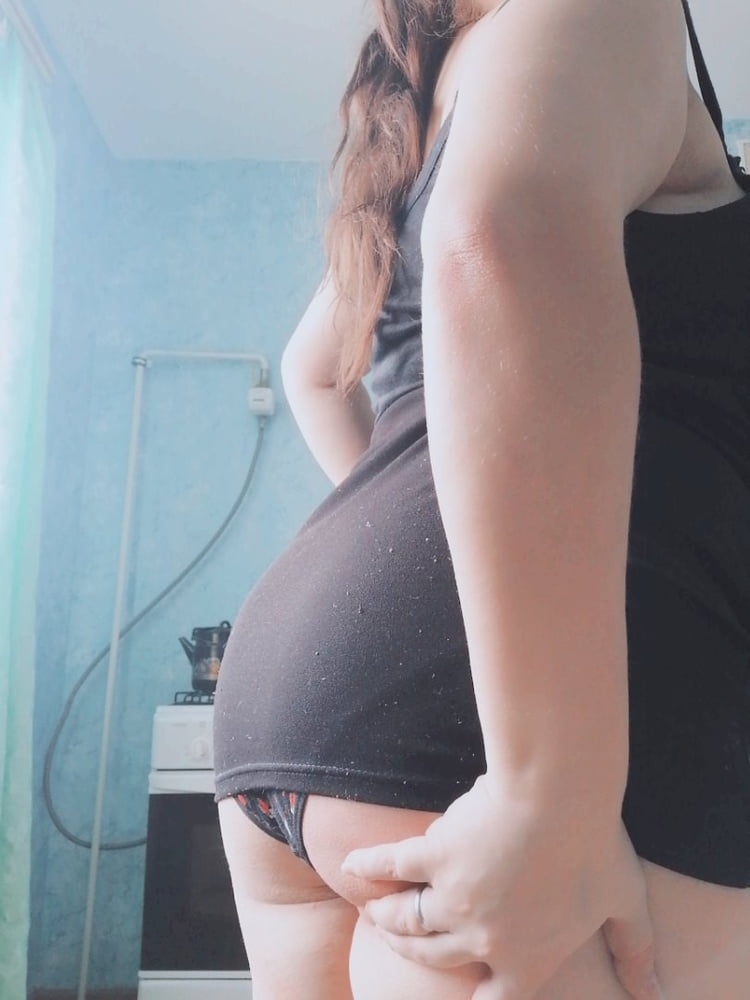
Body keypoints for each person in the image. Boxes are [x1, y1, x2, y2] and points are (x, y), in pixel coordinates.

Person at [214, 0, 750, 996]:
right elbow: (497, 231)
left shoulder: (433, 118)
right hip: (497, 738)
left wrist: (421, 573)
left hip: (290, 724)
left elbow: (313, 374)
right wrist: (552, 793)